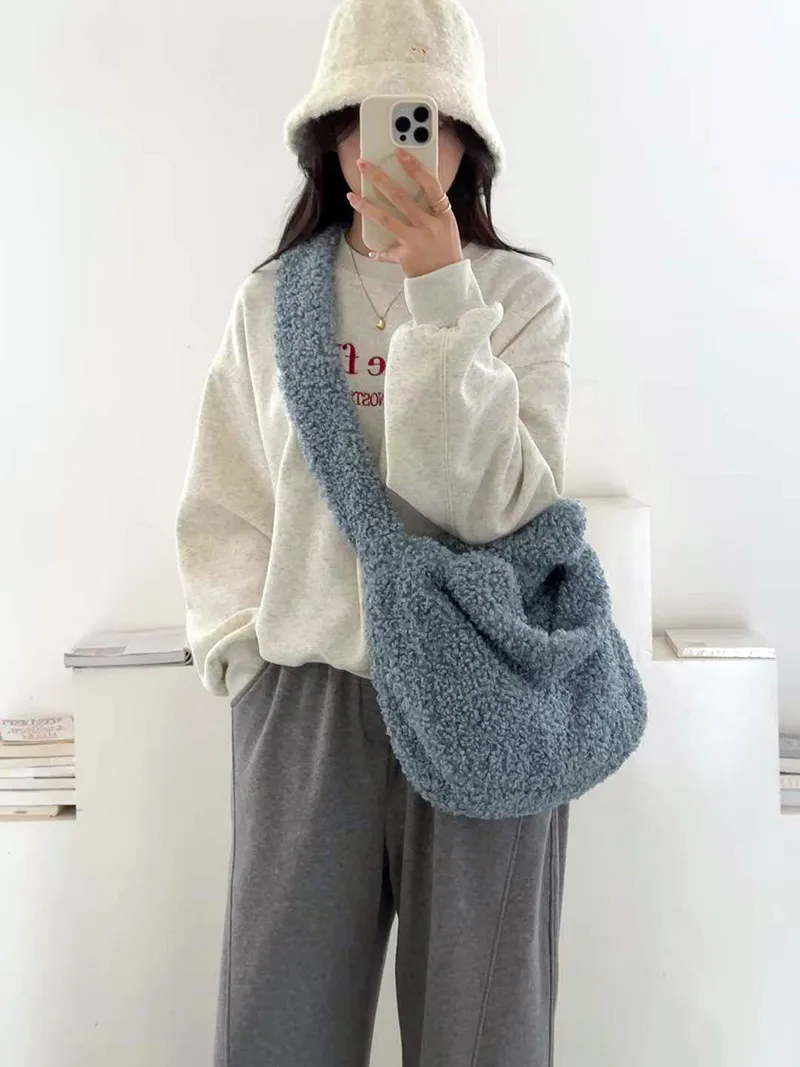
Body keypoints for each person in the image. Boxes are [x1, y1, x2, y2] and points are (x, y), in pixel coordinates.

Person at [175, 1, 573, 1064]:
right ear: (331, 134)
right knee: (278, 1030)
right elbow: (227, 496)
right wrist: (243, 656)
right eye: (371, 114)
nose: (396, 144)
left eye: (426, 119)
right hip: (309, 701)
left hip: (481, 698)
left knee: (483, 1036)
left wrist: (439, 291)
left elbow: (490, 504)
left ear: (466, 142)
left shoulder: (520, 298)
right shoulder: (270, 303)